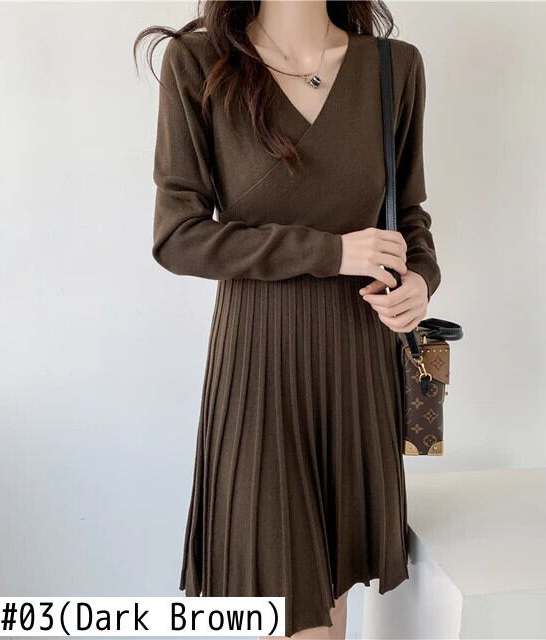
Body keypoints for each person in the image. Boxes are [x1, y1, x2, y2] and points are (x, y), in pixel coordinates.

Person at [134, 1, 441, 638]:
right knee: (275, 592)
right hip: (259, 365)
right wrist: (330, 253)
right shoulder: (199, 62)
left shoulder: (394, 67)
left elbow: (408, 213)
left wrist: (420, 280)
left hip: (358, 359)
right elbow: (178, 237)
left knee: (331, 597)